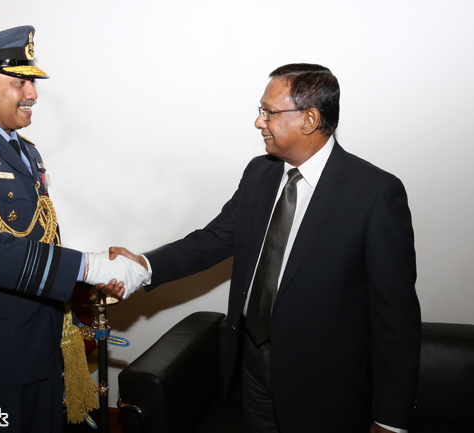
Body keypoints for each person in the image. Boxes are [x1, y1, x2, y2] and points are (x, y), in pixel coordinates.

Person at [103, 64, 421, 433]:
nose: (259, 122)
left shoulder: (375, 193)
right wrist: (143, 264)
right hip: (251, 365)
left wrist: (391, 419)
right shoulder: (260, 173)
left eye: (269, 112)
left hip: (324, 385)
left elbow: (395, 317)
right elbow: (214, 238)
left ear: (309, 119)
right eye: (261, 110)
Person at [0, 26, 148, 432]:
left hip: (36, 333)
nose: (32, 94)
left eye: (31, 82)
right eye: (19, 82)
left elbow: (37, 235)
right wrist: (87, 267)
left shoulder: (23, 149)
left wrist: (89, 273)